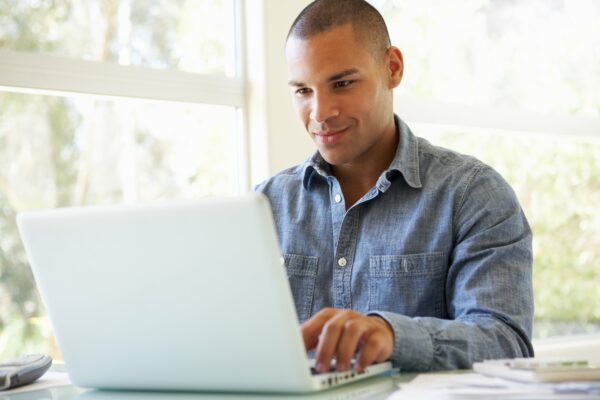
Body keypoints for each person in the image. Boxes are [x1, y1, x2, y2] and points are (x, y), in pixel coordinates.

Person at [255, 0, 534, 373]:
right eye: (303, 90)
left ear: (392, 68)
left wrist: (392, 335)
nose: (320, 113)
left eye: (342, 83)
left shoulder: (472, 195)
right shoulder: (264, 205)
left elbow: (506, 342)